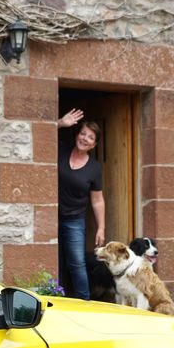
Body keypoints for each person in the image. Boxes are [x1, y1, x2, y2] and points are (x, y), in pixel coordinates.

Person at [58, 108, 106, 300]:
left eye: (90, 137)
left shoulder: (94, 168)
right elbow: (38, 132)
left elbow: (97, 199)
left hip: (74, 220)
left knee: (77, 263)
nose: (85, 138)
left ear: (94, 144)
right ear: (77, 135)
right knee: (55, 261)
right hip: (51, 216)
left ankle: (84, 304)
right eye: (83, 133)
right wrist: (61, 122)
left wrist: (101, 227)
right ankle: (55, 300)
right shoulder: (61, 150)